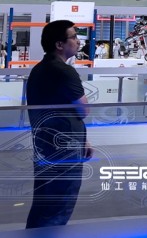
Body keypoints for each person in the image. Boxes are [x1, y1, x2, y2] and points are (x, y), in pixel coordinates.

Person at [26, 20, 92, 228]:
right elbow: (83, 110)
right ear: (59, 44)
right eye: (73, 37)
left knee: (44, 204)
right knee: (58, 206)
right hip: (64, 149)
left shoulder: (39, 70)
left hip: (45, 145)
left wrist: (84, 139)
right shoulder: (64, 71)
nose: (78, 41)